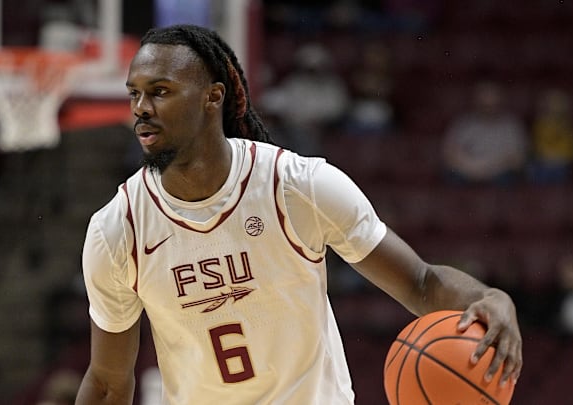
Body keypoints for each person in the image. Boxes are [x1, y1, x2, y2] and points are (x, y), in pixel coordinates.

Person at [77, 24, 522, 404]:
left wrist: (488, 297)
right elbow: (108, 382)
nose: (141, 109)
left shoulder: (297, 186)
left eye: (160, 92)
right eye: (135, 93)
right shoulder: (118, 230)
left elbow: (420, 284)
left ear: (213, 97)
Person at [441, 80, 528, 186]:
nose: (489, 109)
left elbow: (518, 159)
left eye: (492, 105)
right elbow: (449, 154)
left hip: (500, 173)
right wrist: (473, 168)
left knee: (511, 178)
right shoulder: (463, 123)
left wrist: (488, 169)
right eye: (485, 105)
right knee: (452, 176)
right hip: (468, 170)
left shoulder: (511, 125)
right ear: (477, 102)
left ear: (500, 102)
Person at [527, 88, 573, 185]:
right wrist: (546, 158)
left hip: (561, 163)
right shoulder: (540, 125)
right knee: (535, 170)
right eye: (551, 106)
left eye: (558, 107)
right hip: (544, 162)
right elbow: (536, 146)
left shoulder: (568, 126)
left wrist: (559, 159)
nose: (554, 110)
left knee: (558, 171)